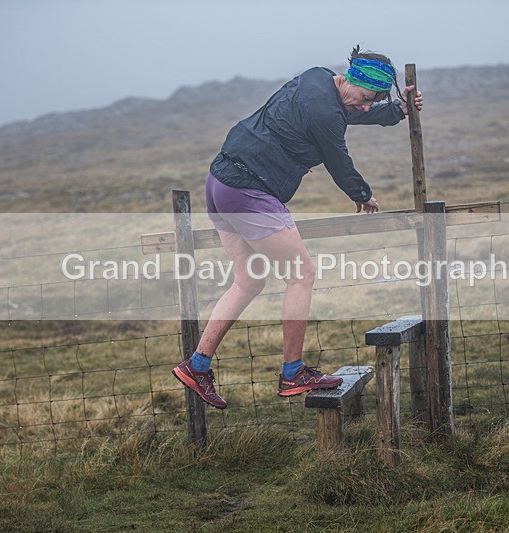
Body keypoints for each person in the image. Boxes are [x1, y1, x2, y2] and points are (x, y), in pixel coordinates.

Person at [172, 46, 423, 409]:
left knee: (249, 281)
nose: (365, 105)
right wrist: (363, 194)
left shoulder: (317, 78)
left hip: (220, 183)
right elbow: (338, 158)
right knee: (302, 274)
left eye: (372, 101)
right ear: (352, 79)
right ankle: (293, 372)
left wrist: (395, 111)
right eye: (367, 97)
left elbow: (345, 113)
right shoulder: (328, 113)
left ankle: (197, 366)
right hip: (248, 189)